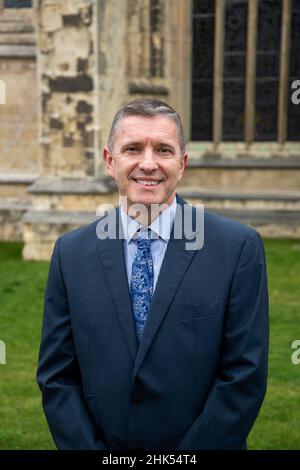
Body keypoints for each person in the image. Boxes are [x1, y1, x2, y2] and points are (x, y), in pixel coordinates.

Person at [36, 98, 269, 450]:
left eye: (163, 149)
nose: (148, 164)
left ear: (182, 163)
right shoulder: (70, 254)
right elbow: (57, 377)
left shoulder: (237, 248)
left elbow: (244, 375)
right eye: (132, 149)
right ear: (109, 161)